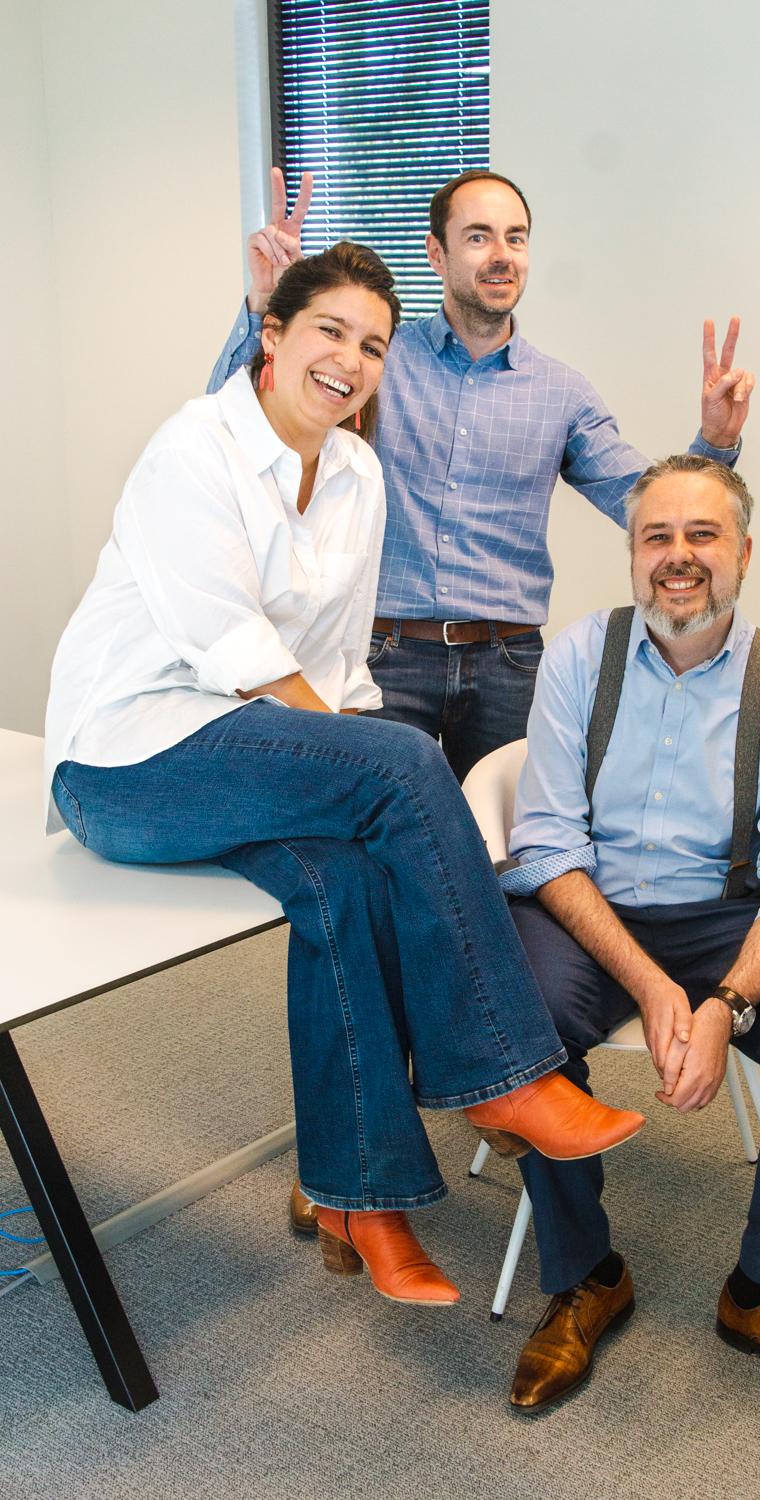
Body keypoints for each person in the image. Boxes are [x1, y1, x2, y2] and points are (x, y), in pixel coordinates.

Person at [43, 243, 646, 1309]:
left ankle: (360, 1200)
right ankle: (506, 1074)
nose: (351, 360)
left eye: (373, 345)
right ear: (272, 336)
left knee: (348, 880)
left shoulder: (359, 476)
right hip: (127, 761)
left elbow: (335, 665)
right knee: (403, 763)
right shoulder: (192, 449)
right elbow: (236, 651)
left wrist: (357, 770)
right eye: (329, 330)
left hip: (248, 753)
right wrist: (369, 769)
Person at [497, 454, 760, 1415]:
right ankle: (587, 1277)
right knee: (525, 1015)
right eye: (656, 536)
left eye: (702, 534)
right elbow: (545, 845)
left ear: (744, 553)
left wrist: (727, 1004)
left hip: (728, 914)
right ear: (633, 555)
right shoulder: (579, 656)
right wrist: (651, 983)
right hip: (592, 905)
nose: (679, 555)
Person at [209, 168, 756, 782]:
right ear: (436, 254)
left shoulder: (562, 392)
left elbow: (647, 502)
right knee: (378, 821)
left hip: (508, 666)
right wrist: (267, 306)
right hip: (385, 654)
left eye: (515, 238)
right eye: (479, 237)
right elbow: (240, 428)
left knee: (515, 829)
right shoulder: (376, 358)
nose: (502, 255)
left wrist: (716, 442)